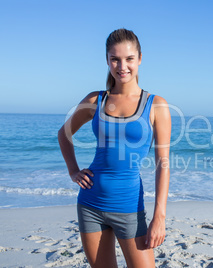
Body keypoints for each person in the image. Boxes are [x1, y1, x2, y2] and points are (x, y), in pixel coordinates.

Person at [58, 28, 171, 268]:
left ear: (140, 58)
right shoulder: (95, 100)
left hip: (129, 207)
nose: (122, 66)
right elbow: (64, 134)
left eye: (129, 59)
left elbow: (163, 163)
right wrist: (73, 171)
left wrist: (159, 216)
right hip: (90, 204)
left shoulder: (155, 105)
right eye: (115, 59)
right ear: (107, 60)